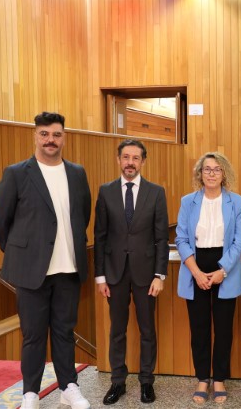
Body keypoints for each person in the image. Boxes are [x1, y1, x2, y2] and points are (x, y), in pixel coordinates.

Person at [0, 112, 91, 409]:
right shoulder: (17, 173)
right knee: (33, 335)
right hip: (31, 272)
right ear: (35, 136)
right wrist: (21, 255)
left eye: (56, 134)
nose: (51, 140)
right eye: (45, 134)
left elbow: (82, 216)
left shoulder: (76, 172)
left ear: (64, 138)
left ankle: (68, 386)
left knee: (64, 331)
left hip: (68, 269)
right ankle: (30, 393)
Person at [94, 139, 169, 405]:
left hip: (147, 275)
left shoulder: (156, 192)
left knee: (148, 330)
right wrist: (100, 277)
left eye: (136, 158)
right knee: (117, 330)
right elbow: (100, 237)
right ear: (118, 160)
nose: (130, 162)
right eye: (126, 157)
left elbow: (162, 238)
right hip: (114, 275)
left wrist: (160, 275)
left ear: (143, 162)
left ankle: (147, 382)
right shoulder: (105, 191)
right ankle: (117, 382)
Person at [175, 152, 241, 405]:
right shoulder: (188, 202)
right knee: (200, 329)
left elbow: (240, 241)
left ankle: (219, 379)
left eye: (217, 169)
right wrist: (196, 272)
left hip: (225, 268)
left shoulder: (236, 202)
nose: (212, 174)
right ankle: (202, 378)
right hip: (195, 266)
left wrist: (222, 271)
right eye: (207, 169)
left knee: (224, 329)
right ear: (200, 174)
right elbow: (181, 239)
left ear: (224, 173)